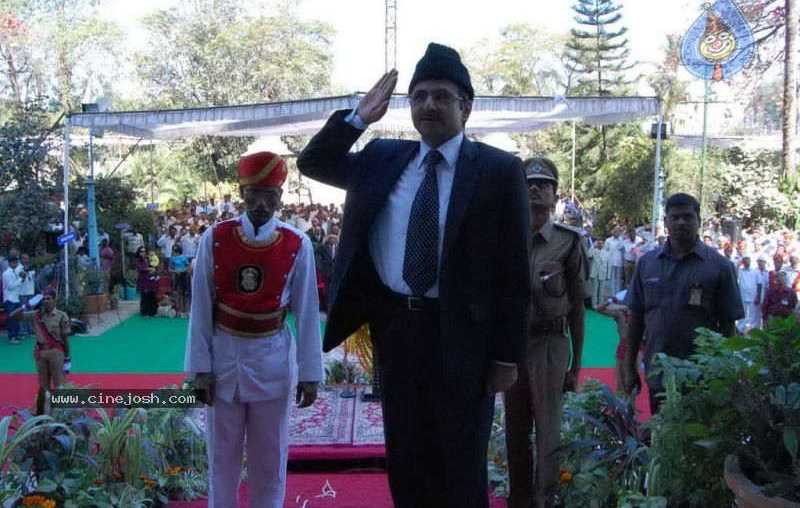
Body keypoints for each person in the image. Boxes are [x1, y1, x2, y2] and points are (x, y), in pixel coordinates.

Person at [297, 43, 530, 508]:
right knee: (406, 457)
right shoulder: (383, 158)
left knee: (461, 462)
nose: (429, 105)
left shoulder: (499, 170)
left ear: (466, 106)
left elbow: (514, 270)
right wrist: (359, 118)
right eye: (419, 95)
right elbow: (314, 163)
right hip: (397, 330)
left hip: (465, 337)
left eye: (442, 96)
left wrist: (507, 356)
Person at [185, 151, 322, 508]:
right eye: (253, 194)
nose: (261, 203)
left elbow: (307, 313)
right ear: (241, 193)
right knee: (222, 456)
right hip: (222, 359)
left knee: (270, 456)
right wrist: (199, 370)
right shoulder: (214, 238)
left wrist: (310, 373)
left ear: (281, 195)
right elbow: (200, 308)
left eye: (269, 195)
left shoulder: (297, 244)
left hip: (273, 359)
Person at [504, 157, 585, 508]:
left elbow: (578, 306)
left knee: (548, 430)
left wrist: (575, 365)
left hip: (551, 344)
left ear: (555, 196)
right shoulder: (504, 237)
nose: (535, 188)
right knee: (514, 429)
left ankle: (545, 498)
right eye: (529, 183)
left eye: (544, 184)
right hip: (512, 345)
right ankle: (519, 497)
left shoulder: (568, 242)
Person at [623, 193, 744, 414]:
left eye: (687, 217)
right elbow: (636, 319)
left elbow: (728, 326)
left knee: (697, 440)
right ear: (666, 221)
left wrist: (720, 373)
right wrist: (630, 367)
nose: (680, 222)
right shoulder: (648, 264)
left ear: (698, 221)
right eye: (675, 217)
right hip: (658, 370)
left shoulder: (719, 266)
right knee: (661, 435)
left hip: (702, 375)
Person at [9, 290, 70, 414]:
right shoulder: (35, 315)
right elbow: (12, 316)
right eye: (43, 299)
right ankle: (43, 415)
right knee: (44, 387)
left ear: (54, 300)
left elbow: (65, 339)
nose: (45, 301)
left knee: (59, 385)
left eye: (48, 299)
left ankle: (61, 414)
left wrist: (68, 359)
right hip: (41, 353)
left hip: (56, 353)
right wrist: (26, 306)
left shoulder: (61, 316)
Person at [3, 254, 26, 344]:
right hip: (9, 298)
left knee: (17, 317)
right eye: (14, 263)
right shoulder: (6, 274)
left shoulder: (15, 272)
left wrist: (21, 278)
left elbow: (18, 284)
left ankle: (17, 334)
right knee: (11, 318)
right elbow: (11, 286)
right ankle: (11, 336)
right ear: (9, 263)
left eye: (16, 263)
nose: (15, 264)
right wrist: (20, 278)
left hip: (16, 297)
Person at [738, 255, 764, 333]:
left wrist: (758, 297)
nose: (746, 261)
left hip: (753, 295)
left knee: (754, 314)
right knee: (742, 313)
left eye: (747, 259)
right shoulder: (740, 271)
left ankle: (754, 330)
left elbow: (759, 284)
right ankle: (740, 329)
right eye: (744, 260)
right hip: (743, 295)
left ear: (750, 261)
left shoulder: (756, 271)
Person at [134, 247, 158, 317]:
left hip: (150, 279)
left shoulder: (147, 259)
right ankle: (144, 312)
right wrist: (150, 269)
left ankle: (152, 312)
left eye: (144, 251)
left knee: (152, 295)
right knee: (145, 296)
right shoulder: (137, 260)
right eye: (141, 251)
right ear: (138, 253)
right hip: (143, 280)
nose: (143, 253)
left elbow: (152, 266)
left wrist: (153, 269)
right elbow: (140, 269)